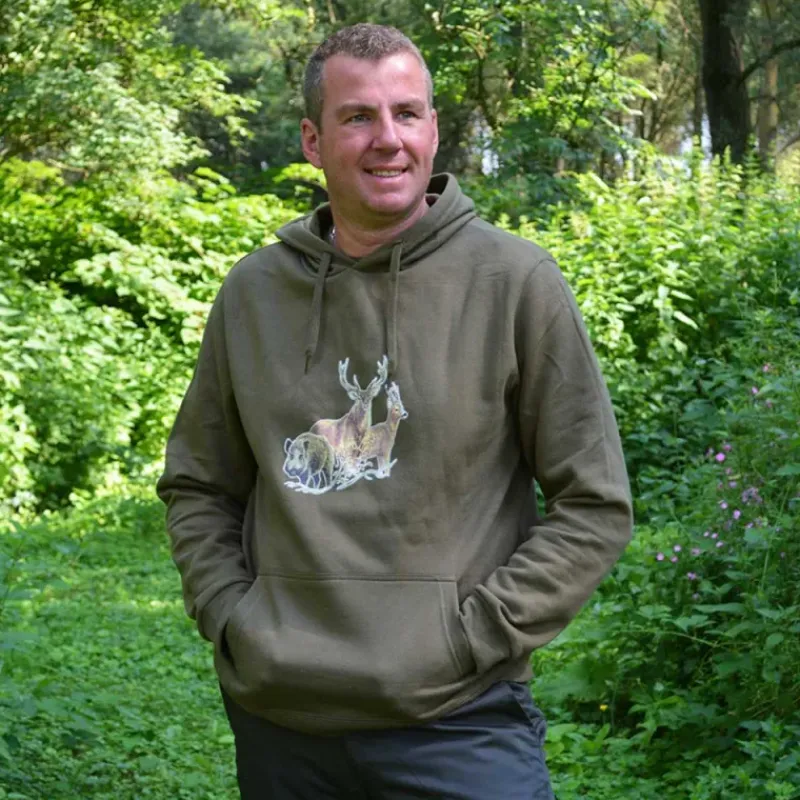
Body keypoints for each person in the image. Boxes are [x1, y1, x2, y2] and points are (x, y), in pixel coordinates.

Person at [156, 23, 633, 800]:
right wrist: (236, 617)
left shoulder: (516, 283)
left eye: (406, 113)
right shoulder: (253, 293)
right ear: (313, 141)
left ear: (433, 130)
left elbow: (595, 505)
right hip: (283, 722)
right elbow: (199, 484)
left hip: (458, 721)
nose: (388, 139)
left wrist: (469, 638)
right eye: (358, 117)